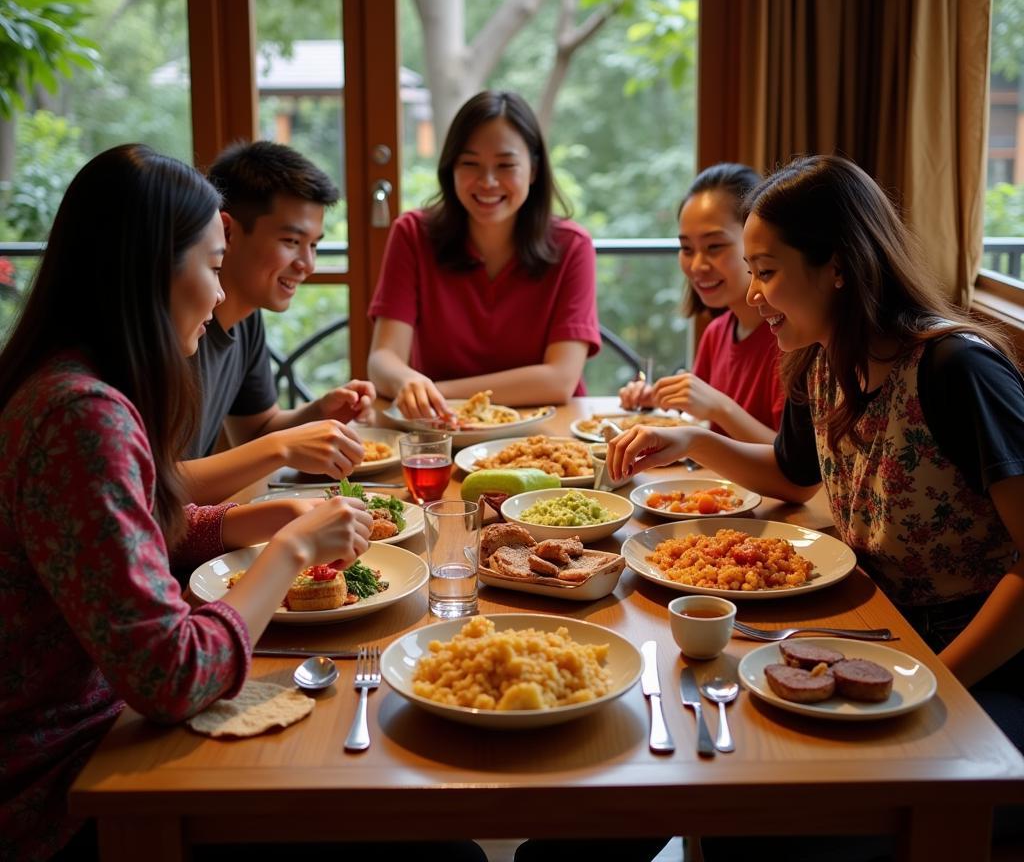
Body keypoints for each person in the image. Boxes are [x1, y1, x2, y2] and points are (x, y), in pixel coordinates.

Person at [607, 155, 1024, 858]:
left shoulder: (957, 370)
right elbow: (794, 475)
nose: (753, 292)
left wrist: (939, 676)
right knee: (725, 760)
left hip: (985, 666)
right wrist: (688, 439)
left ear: (836, 265)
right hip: (877, 636)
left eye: (765, 270)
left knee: (779, 825)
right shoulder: (822, 358)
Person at [0, 145, 373, 861]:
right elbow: (169, 678)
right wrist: (292, 551)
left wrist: (242, 519)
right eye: (210, 264)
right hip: (62, 788)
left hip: (104, 740)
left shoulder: (74, 381)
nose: (217, 291)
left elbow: (130, 537)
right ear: (150, 271)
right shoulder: (81, 416)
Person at [367, 90, 600, 420]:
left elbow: (560, 379)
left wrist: (433, 391)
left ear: (533, 170)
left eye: (505, 165)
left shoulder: (572, 246)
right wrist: (407, 380)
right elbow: (383, 357)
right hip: (441, 433)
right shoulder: (413, 235)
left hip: (546, 435)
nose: (488, 181)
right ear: (451, 169)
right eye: (470, 164)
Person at [180, 141, 375, 505]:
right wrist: (282, 446)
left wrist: (319, 413)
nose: (308, 264)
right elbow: (156, 484)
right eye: (291, 241)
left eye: (314, 245)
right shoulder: (180, 328)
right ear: (227, 231)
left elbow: (255, 430)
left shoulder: (246, 319)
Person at [619, 163, 782, 442]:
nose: (696, 265)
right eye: (686, 248)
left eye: (714, 246)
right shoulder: (716, 333)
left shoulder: (790, 340)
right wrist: (658, 400)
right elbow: (701, 419)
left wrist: (719, 407)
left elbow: (799, 468)